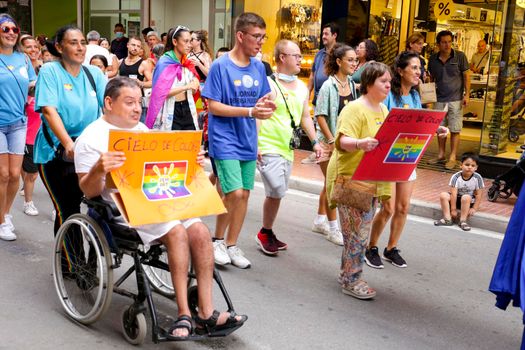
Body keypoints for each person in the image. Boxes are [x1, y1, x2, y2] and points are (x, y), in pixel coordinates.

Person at [75, 76, 246, 339]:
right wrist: (99, 168)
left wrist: (192, 160)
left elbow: (166, 170)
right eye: (129, 102)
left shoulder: (143, 131)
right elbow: (88, 191)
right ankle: (183, 313)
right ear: (109, 103)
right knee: (176, 231)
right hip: (122, 209)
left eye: (139, 103)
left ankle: (206, 311)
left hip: (158, 199)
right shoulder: (91, 138)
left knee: (199, 230)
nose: (136, 108)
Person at [202, 12, 275, 268]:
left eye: (263, 37)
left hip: (247, 139)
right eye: (256, 37)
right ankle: (217, 240)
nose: (260, 42)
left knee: (244, 195)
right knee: (233, 192)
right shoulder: (220, 66)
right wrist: (250, 111)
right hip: (224, 139)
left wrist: (266, 108)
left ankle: (232, 245)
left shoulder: (258, 67)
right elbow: (213, 106)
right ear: (240, 36)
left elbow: (262, 102)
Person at [366, 51, 448, 269]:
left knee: (403, 207)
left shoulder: (415, 96)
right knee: (388, 208)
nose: (418, 72)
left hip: (408, 154)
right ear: (400, 71)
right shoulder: (389, 95)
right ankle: (371, 247)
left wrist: (435, 128)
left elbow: (418, 124)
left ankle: (391, 248)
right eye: (413, 67)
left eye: (420, 68)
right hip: (387, 156)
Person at [325, 62, 393, 300]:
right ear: (369, 83)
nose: (388, 85)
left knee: (358, 232)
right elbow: (341, 141)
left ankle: (348, 274)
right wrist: (360, 143)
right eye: (383, 81)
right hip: (352, 178)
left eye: (389, 81)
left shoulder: (383, 110)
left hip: (372, 179)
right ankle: (351, 280)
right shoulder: (355, 109)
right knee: (357, 234)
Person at [33, 25, 106, 236]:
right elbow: (48, 110)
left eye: (83, 43)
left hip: (89, 151)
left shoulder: (94, 74)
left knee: (99, 209)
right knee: (68, 210)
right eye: (73, 43)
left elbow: (110, 107)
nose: (80, 47)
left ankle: (95, 265)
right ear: (59, 47)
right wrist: (67, 144)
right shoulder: (50, 71)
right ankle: (71, 268)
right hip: (56, 152)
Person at [255, 40, 322, 255]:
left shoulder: (302, 87)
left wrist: (315, 142)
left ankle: (267, 231)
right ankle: (264, 233)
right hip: (268, 145)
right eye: (296, 55)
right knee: (275, 189)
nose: (300, 59)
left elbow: (305, 117)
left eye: (300, 56)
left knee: (278, 193)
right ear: (282, 57)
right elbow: (257, 115)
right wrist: (256, 144)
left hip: (287, 147)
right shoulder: (268, 84)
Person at [312, 43, 359, 245]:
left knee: (329, 182)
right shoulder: (327, 86)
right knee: (333, 185)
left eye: (356, 60)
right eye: (350, 60)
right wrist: (331, 140)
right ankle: (333, 229)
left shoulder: (351, 84)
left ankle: (319, 220)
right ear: (338, 62)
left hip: (344, 144)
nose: (354, 63)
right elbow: (320, 116)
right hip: (328, 144)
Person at [0, 14, 37, 240]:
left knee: (15, 175)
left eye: (14, 29)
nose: (11, 33)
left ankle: (5, 212)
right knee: (2, 174)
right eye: (6, 29)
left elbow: (32, 86)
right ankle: (2, 220)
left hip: (18, 123)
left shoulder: (23, 60)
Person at [427, 30, 470, 170]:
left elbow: (466, 76)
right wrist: (429, 96)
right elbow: (431, 79)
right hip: (439, 98)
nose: (447, 45)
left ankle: (452, 157)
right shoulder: (433, 59)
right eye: (444, 42)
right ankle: (440, 155)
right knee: (440, 129)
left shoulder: (460, 56)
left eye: (449, 42)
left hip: (456, 98)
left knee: (455, 129)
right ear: (438, 44)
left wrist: (467, 94)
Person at [145, 26, 201, 131]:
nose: (189, 45)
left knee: (190, 142)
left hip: (187, 107)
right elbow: (161, 93)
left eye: (190, 41)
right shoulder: (164, 63)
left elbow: (195, 78)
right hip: (170, 109)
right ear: (175, 42)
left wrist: (195, 82)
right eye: (186, 41)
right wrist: (186, 87)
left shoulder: (186, 62)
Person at [19, 35, 42, 217]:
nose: (33, 50)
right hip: (27, 129)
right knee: (30, 172)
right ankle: (28, 201)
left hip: (46, 131)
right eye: (28, 47)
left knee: (41, 172)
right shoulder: (19, 72)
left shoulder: (45, 68)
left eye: (35, 47)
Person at [434, 153, 484, 231]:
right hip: (456, 199)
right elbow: (454, 194)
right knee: (443, 195)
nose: (469, 167)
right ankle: (447, 219)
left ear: (476, 168)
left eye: (473, 166)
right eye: (467, 165)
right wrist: (453, 209)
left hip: (468, 201)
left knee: (466, 197)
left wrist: (474, 208)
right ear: (461, 165)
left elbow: (478, 194)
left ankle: (463, 221)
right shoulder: (456, 177)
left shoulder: (478, 178)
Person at [308, 22, 339, 106]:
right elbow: (312, 75)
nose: (323, 37)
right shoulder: (319, 54)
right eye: (323, 34)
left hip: (333, 102)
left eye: (326, 34)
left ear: (334, 35)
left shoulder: (340, 54)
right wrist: (308, 93)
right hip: (317, 101)